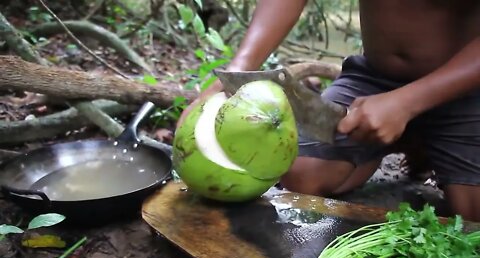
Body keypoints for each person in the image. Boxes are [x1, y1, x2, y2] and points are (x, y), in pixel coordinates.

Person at [176, 1, 480, 222]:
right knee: (302, 174)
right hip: (374, 80)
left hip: (463, 87)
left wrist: (408, 103)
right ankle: (402, 140)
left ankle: (425, 141)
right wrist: (240, 68)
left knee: (471, 214)